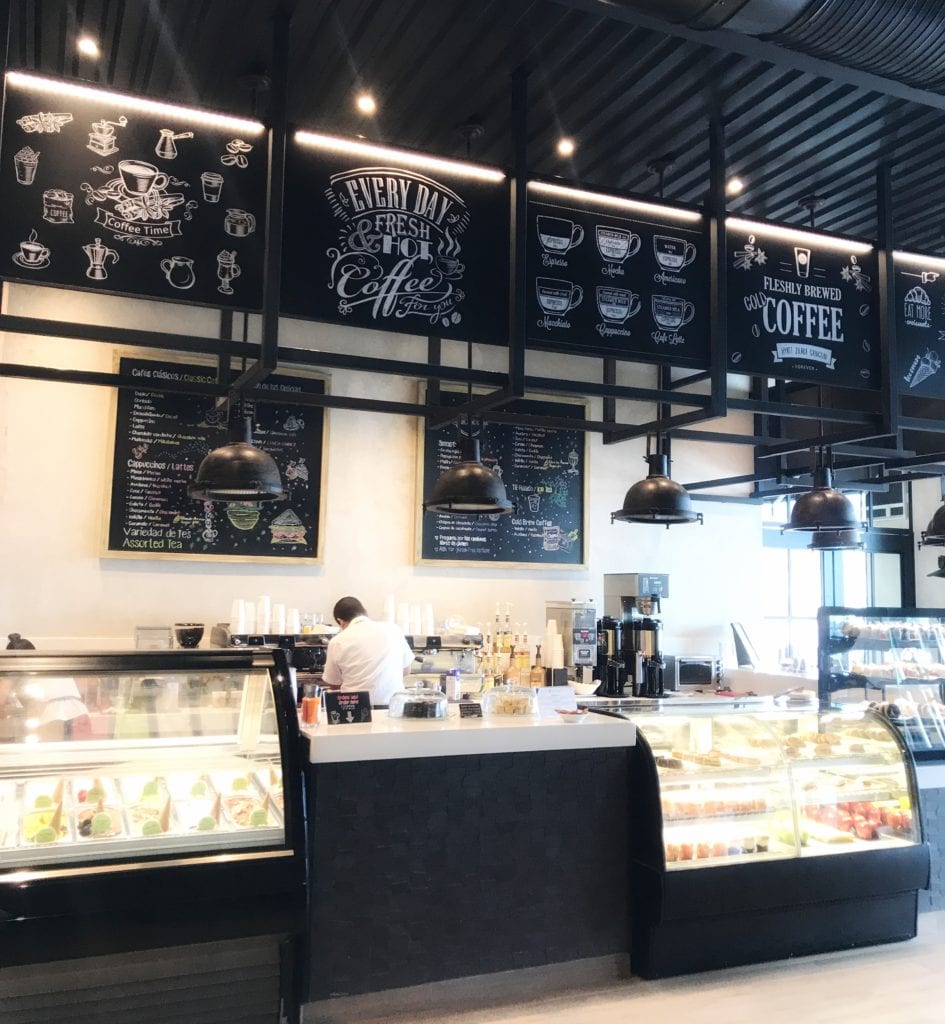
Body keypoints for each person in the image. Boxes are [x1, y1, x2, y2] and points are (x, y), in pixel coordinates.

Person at [321, 597, 415, 706]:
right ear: (365, 611)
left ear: (340, 622)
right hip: (393, 708)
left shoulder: (337, 641)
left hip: (356, 709)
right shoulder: (394, 630)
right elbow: (407, 670)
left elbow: (333, 683)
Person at [1, 633, 92, 741]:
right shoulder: (51, 664)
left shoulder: (21, 673)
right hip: (80, 713)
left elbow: (2, 699)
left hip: (53, 716)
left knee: (51, 754)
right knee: (78, 754)